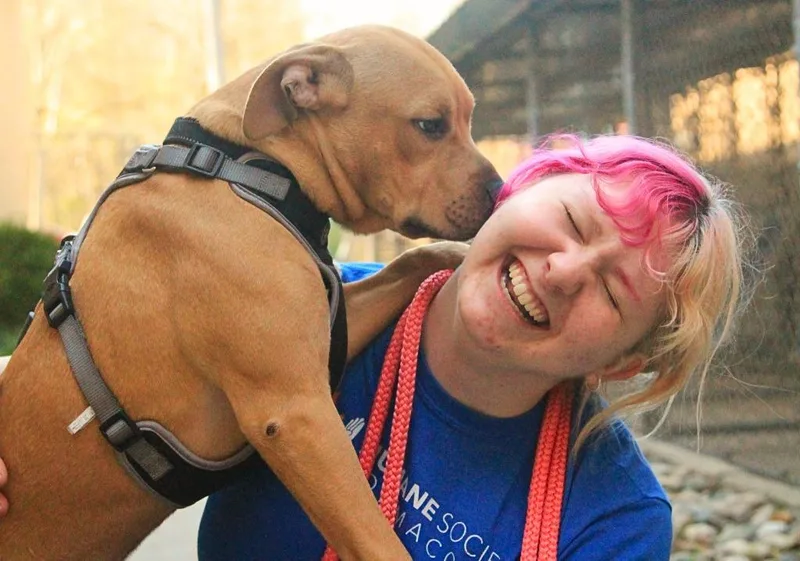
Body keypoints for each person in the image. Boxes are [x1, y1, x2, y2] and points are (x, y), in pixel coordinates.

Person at [0, 135, 749, 560]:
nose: (562, 272)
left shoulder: (616, 517)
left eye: (614, 294)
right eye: (574, 223)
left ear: (619, 361)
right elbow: (82, 386)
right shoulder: (299, 318)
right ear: (517, 190)